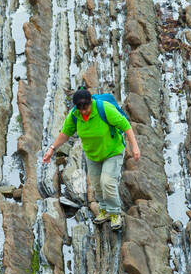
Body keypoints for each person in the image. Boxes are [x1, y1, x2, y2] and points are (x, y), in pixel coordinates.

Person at [42, 88, 141, 230]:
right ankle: (105, 210)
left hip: (112, 152)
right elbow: (65, 134)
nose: (83, 111)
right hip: (93, 155)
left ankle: (115, 213)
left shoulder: (104, 109)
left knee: (107, 182)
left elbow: (126, 126)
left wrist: (135, 147)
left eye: (86, 107)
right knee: (96, 184)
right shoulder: (75, 115)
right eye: (80, 108)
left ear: (90, 103)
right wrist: (52, 149)